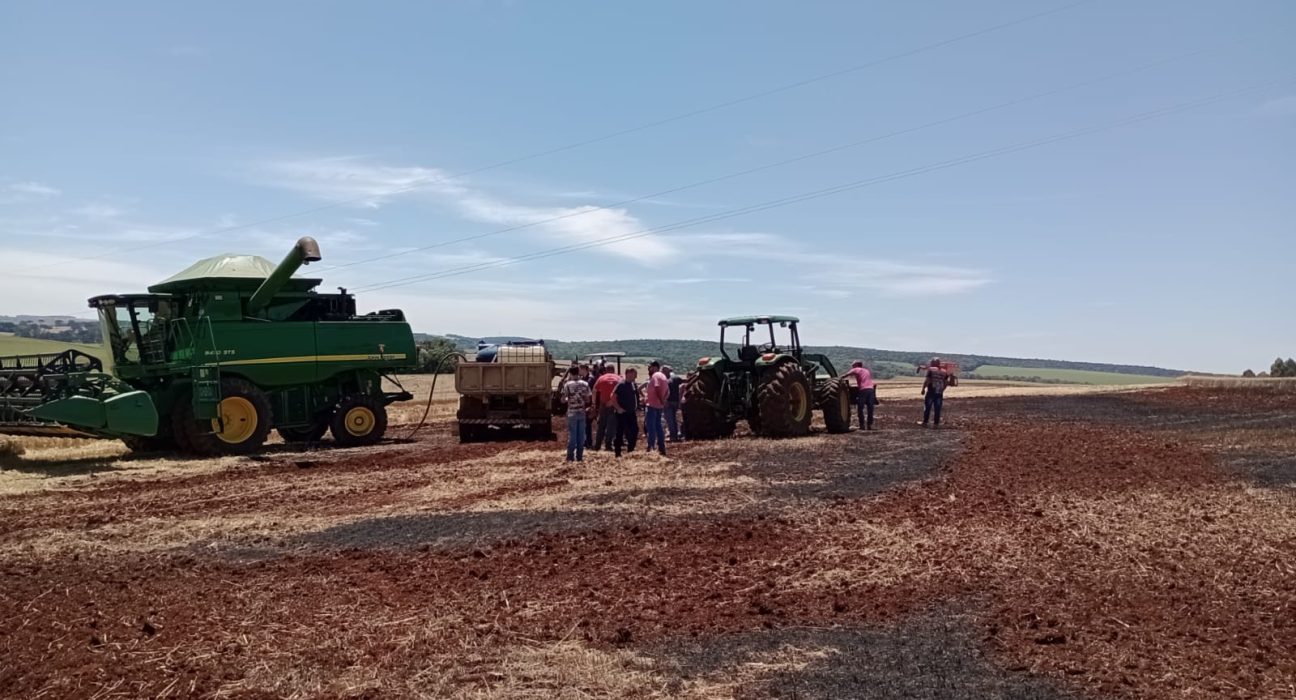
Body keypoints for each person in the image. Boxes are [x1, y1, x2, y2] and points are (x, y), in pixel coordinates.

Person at [559, 365, 592, 461]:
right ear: (578, 372)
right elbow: (588, 399)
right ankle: (579, 456)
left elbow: (563, 399)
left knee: (572, 434)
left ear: (570, 373)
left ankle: (570, 456)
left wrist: (566, 399)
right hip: (582, 412)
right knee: (581, 435)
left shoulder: (568, 385)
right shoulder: (585, 384)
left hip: (572, 412)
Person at [644, 361, 669, 456]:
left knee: (651, 427)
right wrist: (663, 401)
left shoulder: (656, 376)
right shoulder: (663, 376)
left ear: (655, 367)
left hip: (652, 406)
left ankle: (651, 447)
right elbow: (667, 391)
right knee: (658, 427)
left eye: (650, 367)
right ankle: (661, 447)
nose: (649, 369)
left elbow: (657, 387)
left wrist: (661, 400)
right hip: (658, 406)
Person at [613, 367, 640, 457]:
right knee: (620, 432)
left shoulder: (633, 384)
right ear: (628, 374)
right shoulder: (621, 384)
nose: (635, 376)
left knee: (634, 430)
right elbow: (613, 396)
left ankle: (630, 450)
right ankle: (618, 452)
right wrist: (618, 408)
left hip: (631, 412)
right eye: (634, 374)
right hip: (622, 413)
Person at [593, 367, 621, 451]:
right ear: (614, 370)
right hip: (613, 405)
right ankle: (608, 445)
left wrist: (594, 403)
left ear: (606, 371)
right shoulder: (618, 378)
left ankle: (597, 445)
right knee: (611, 426)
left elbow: (594, 390)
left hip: (603, 404)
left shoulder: (601, 378)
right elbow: (621, 392)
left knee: (601, 425)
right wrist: (612, 402)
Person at [844, 360, 876, 430]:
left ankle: (862, 425)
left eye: (853, 365)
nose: (852, 366)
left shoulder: (856, 369)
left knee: (860, 408)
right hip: (870, 389)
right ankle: (869, 425)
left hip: (863, 390)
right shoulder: (866, 370)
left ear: (856, 365)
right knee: (870, 408)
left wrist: (838, 379)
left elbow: (846, 375)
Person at [921, 358, 947, 428]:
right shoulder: (944, 371)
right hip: (939, 392)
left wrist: (923, 389)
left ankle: (925, 422)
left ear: (932, 363)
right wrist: (942, 390)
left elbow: (928, 380)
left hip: (931, 391)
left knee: (927, 407)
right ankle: (936, 424)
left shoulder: (931, 370)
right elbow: (945, 383)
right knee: (937, 408)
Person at [663, 366, 684, 441]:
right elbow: (683, 385)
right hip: (676, 401)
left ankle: (673, 436)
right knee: (674, 419)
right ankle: (676, 434)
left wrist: (665, 401)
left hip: (668, 401)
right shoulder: (677, 378)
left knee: (670, 419)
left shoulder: (665, 380)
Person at [577, 364, 595, 450]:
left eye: (580, 369)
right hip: (585, 404)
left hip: (589, 405)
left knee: (587, 424)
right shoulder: (586, 379)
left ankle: (588, 442)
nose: (579, 371)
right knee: (585, 424)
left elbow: (589, 393)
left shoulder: (590, 379)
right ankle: (587, 442)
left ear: (584, 369)